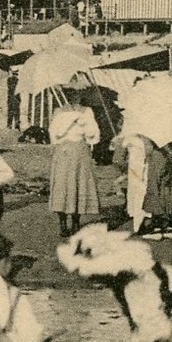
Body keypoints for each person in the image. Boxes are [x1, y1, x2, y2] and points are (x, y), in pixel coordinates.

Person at [48, 87, 102, 237]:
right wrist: (69, 120)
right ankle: (63, 223)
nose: (74, 95)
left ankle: (76, 221)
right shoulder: (60, 111)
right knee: (63, 186)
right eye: (71, 92)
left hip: (80, 151)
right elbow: (55, 133)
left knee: (79, 185)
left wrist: (84, 123)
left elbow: (93, 134)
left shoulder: (87, 111)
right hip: (64, 151)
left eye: (77, 92)